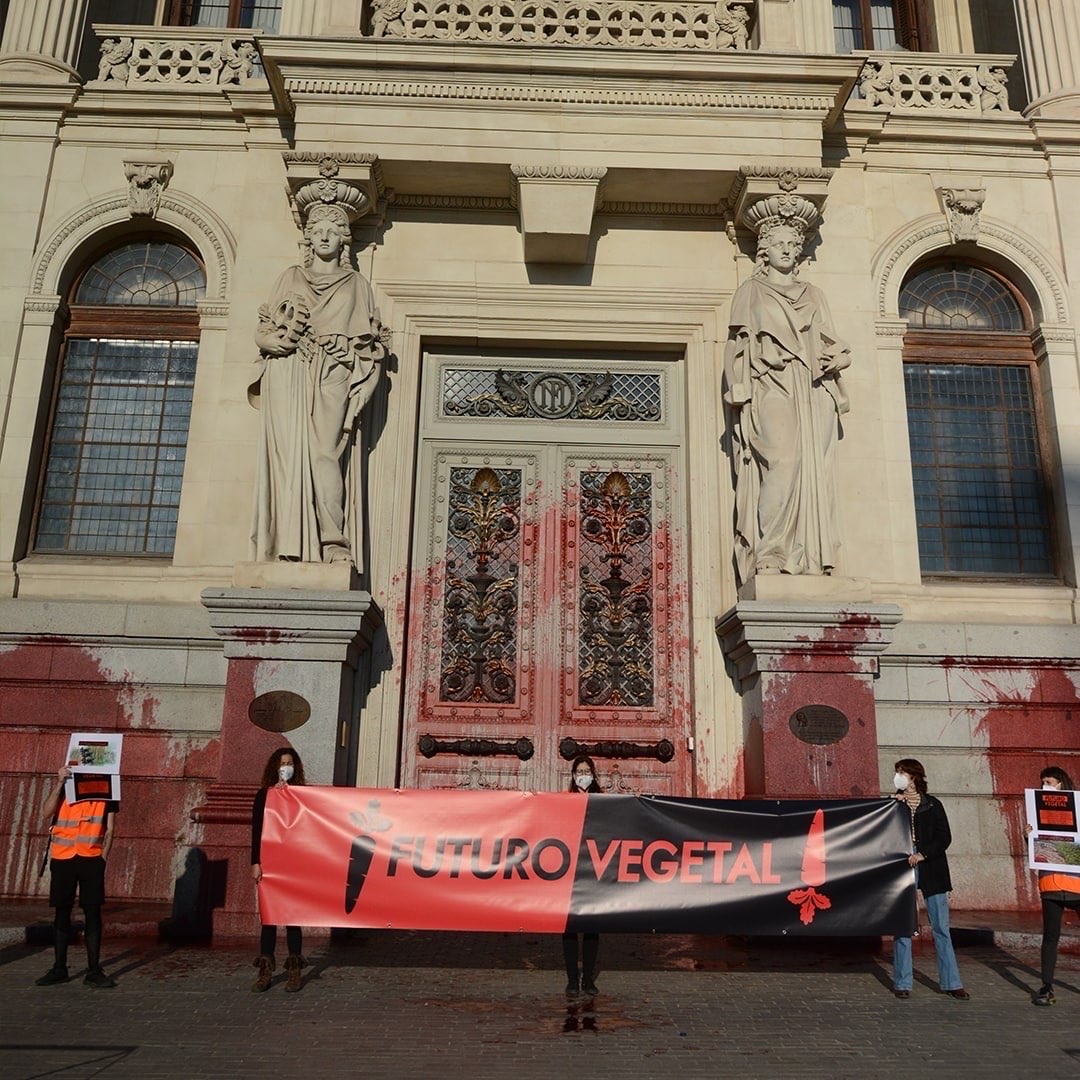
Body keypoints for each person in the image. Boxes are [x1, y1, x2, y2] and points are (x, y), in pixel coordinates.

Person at [250, 200, 387, 567]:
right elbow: (264, 330)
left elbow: (369, 345)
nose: (325, 236)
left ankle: (332, 541)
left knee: (324, 454)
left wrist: (355, 353)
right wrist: (270, 342)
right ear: (308, 237)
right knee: (287, 456)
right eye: (318, 230)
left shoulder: (356, 283)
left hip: (332, 371)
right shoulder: (289, 277)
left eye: (332, 230)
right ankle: (286, 540)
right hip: (289, 369)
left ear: (345, 239)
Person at [723, 199, 851, 581]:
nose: (787, 251)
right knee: (782, 461)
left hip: (812, 388)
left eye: (793, 246)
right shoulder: (751, 291)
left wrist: (840, 358)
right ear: (764, 251)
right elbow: (736, 345)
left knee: (810, 465)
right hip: (770, 385)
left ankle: (804, 556)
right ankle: (770, 551)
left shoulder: (814, 295)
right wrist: (738, 386)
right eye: (780, 245)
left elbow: (834, 343)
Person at [890, 758, 969, 1000]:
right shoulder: (895, 805)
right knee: (903, 925)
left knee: (941, 926)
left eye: (902, 772)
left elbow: (944, 837)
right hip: (903, 866)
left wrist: (923, 854)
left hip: (931, 867)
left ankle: (951, 981)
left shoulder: (933, 805)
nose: (898, 777)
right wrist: (894, 805)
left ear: (914, 776)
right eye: (897, 773)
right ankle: (902, 981)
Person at [36, 765, 117, 988]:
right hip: (63, 857)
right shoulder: (65, 786)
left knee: (93, 912)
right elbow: (46, 812)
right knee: (62, 912)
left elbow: (110, 828)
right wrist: (60, 782)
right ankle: (59, 968)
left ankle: (94, 970)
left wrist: (103, 858)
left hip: (91, 857)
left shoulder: (108, 787)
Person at [251, 747, 307, 992]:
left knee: (293, 918)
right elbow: (256, 831)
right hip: (270, 863)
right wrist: (256, 862)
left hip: (294, 863)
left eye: (290, 763)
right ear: (275, 766)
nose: (287, 767)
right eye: (283, 763)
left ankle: (294, 969)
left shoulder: (302, 796)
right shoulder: (264, 796)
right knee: (270, 918)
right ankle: (265, 970)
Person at [1029, 765, 1080, 1007]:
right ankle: (1046, 986)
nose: (1044, 786)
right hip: (1050, 883)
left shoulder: (1077, 807)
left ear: (1060, 782)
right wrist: (1029, 836)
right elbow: (1035, 849)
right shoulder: (1036, 810)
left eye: (1048, 781)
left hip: (1076, 883)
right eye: (1043, 782)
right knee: (1050, 937)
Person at [562, 755, 602, 998]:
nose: (583, 774)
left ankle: (588, 978)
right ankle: (571, 979)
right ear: (574, 774)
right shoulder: (564, 801)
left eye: (587, 770)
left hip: (593, 871)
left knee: (591, 928)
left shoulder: (603, 801)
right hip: (569, 873)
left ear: (593, 774)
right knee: (568, 928)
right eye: (579, 770)